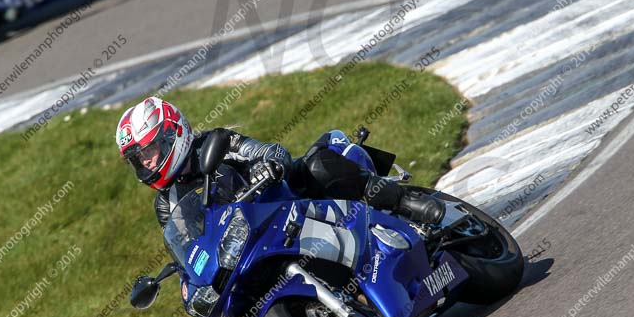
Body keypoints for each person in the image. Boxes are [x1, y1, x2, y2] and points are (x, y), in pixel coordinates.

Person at [116, 98, 446, 240]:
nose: (146, 162)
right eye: (138, 158)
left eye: (150, 149)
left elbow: (269, 150)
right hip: (259, 239)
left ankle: (403, 202)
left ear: (173, 132)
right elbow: (190, 245)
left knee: (317, 166)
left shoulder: (214, 144)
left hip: (290, 202)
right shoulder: (166, 204)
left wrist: (269, 166)